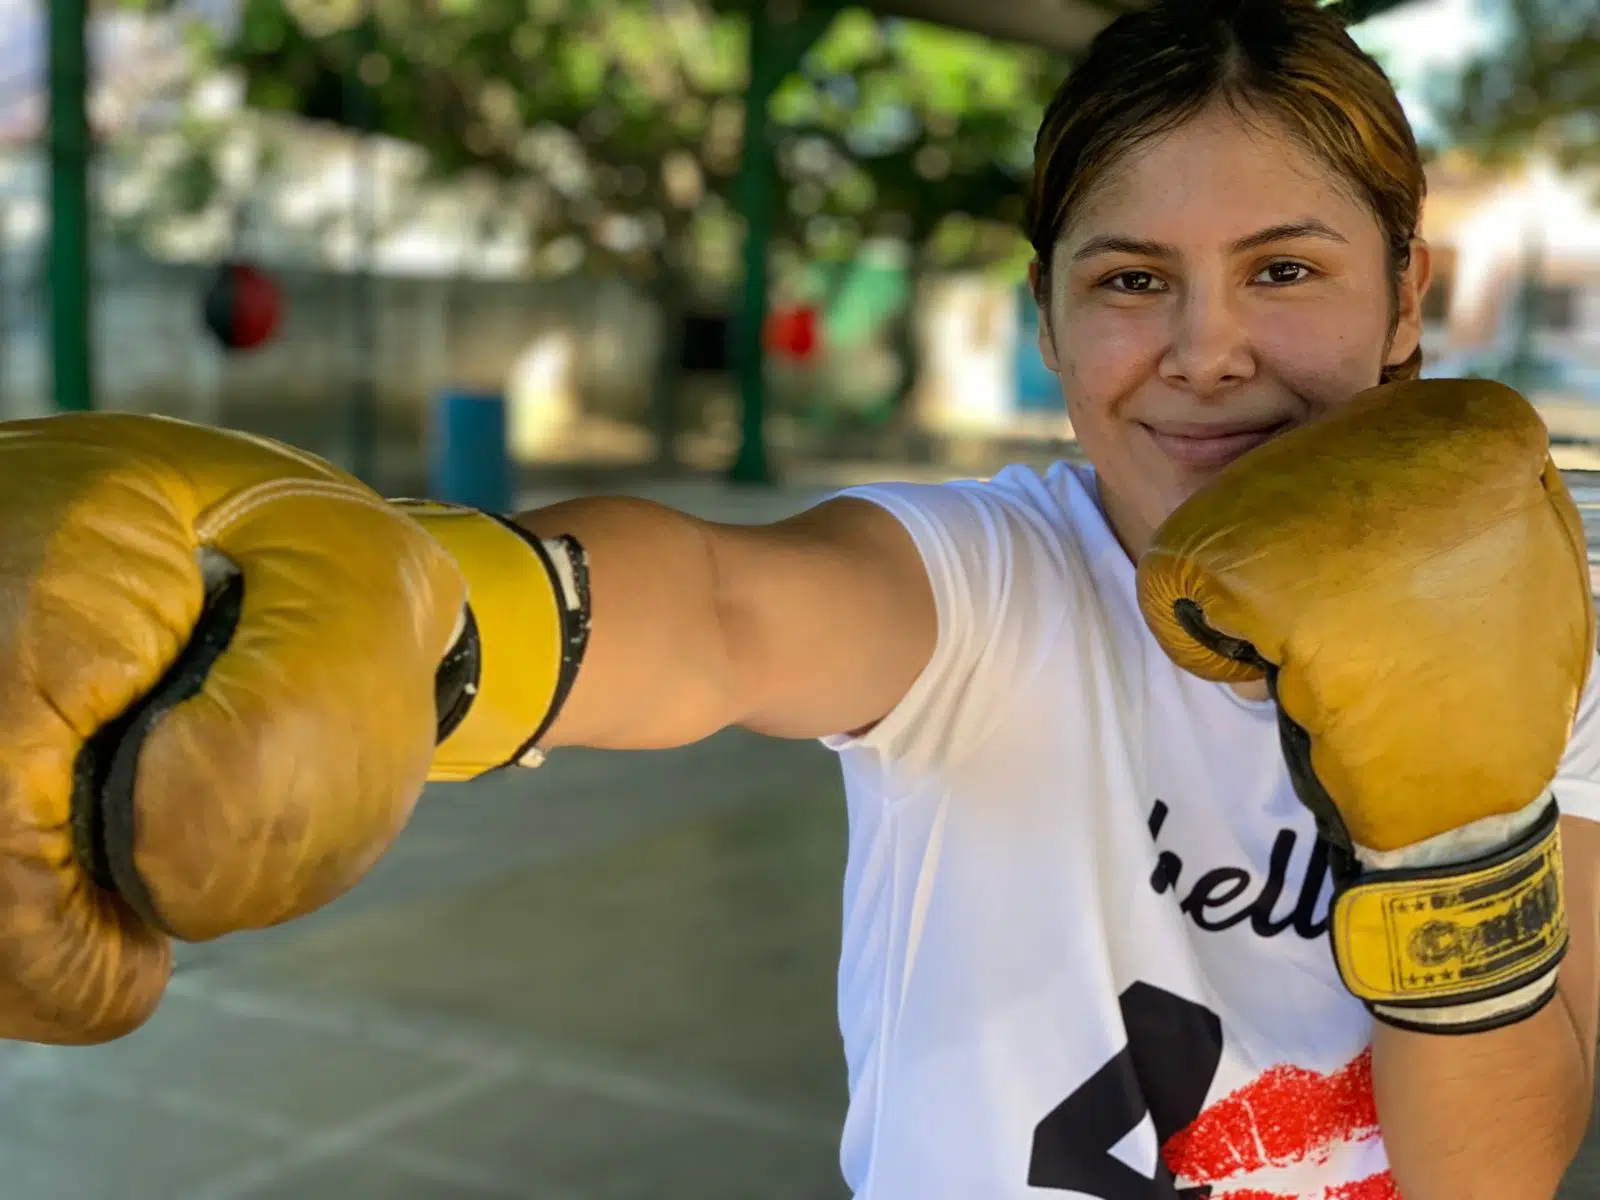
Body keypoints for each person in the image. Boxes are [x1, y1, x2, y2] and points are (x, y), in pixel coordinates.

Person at [0, 1, 1595, 1198]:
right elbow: (721, 611)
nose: (1205, 349)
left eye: (1285, 269)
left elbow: (1499, 1174)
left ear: (1409, 298)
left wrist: (1459, 845)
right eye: (1129, 280)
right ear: (1047, 324)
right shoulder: (996, 581)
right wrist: (426, 612)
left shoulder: (1565, 635)